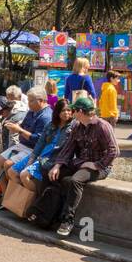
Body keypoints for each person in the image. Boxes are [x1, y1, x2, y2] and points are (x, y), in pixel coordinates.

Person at [47, 100, 120, 237]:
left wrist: (96, 165)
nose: (71, 113)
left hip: (99, 167)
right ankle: (48, 212)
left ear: (80, 112)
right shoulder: (77, 127)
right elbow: (68, 149)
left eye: (73, 110)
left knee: (76, 180)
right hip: (81, 162)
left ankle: (67, 220)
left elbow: (114, 151)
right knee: (51, 172)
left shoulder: (102, 126)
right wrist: (57, 166)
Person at [0, 90, 51, 192]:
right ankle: (4, 194)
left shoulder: (46, 117)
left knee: (8, 165)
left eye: (31, 101)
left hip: (32, 149)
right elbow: (23, 125)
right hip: (22, 144)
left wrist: (19, 130)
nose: (28, 104)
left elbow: (38, 140)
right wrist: (14, 125)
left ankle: (15, 197)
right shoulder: (32, 111)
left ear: (41, 101)